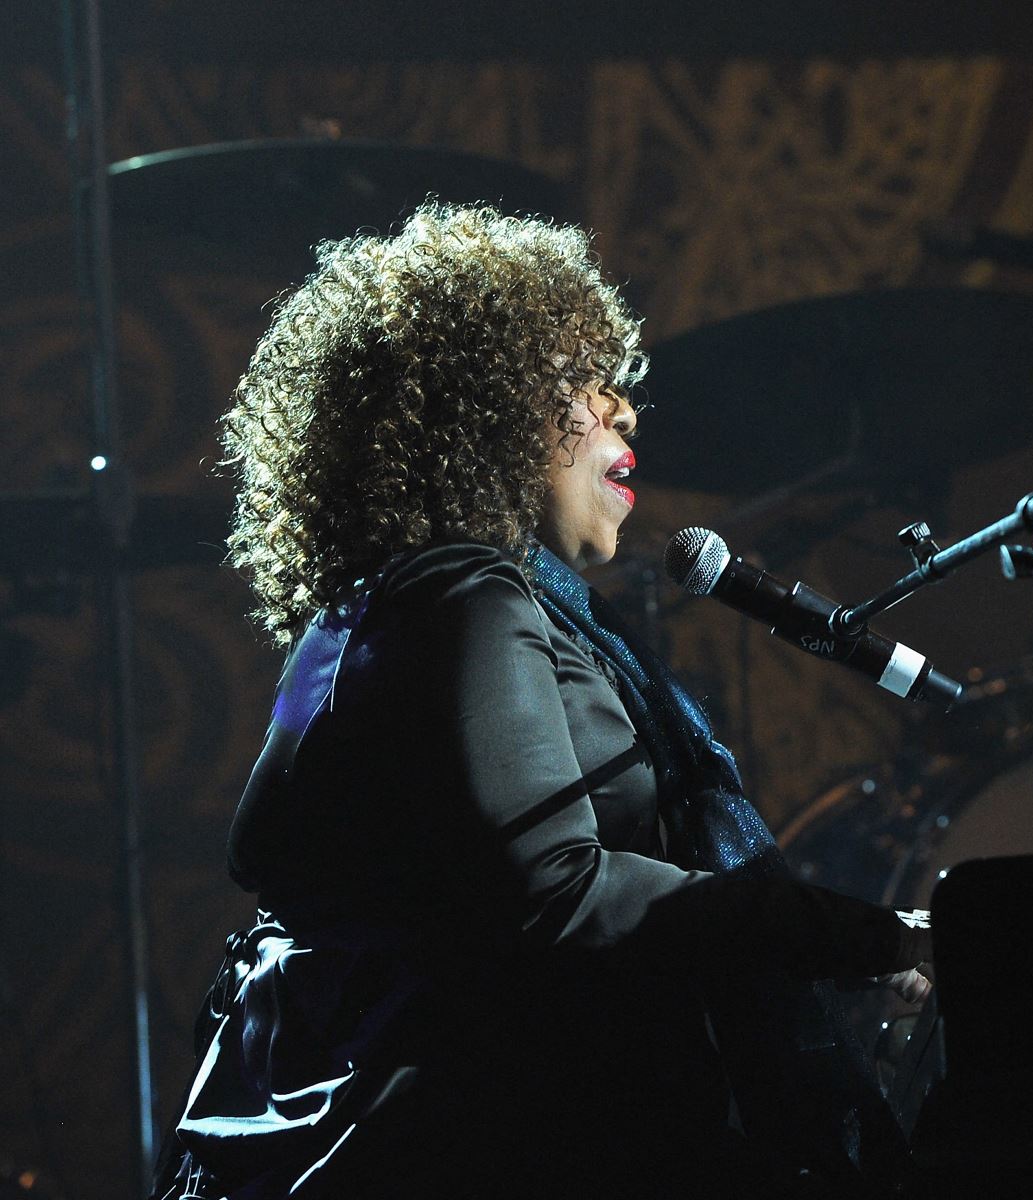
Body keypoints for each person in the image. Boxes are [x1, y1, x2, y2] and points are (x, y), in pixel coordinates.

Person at [151, 203, 931, 1200]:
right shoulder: (466, 595)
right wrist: (859, 937)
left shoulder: (383, 611)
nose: (624, 412)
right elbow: (558, 890)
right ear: (483, 412)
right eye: (585, 386)